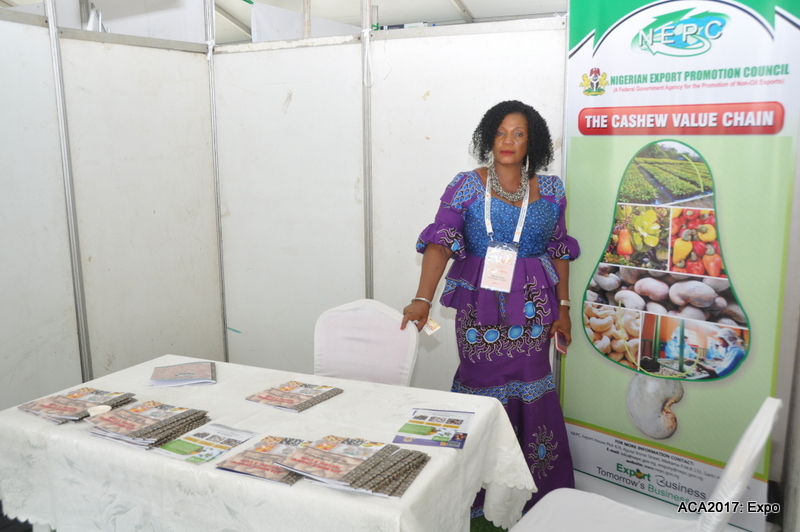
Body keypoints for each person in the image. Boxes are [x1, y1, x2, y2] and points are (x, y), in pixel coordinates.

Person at [400, 100, 580, 513]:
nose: (507, 141)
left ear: (532, 142)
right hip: (479, 312)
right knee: (480, 387)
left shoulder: (552, 190)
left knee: (532, 389)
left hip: (535, 313)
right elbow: (441, 241)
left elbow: (559, 251)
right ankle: (476, 490)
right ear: (488, 138)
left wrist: (564, 308)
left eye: (518, 134)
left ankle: (535, 490)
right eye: (500, 132)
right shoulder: (466, 185)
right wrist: (422, 299)